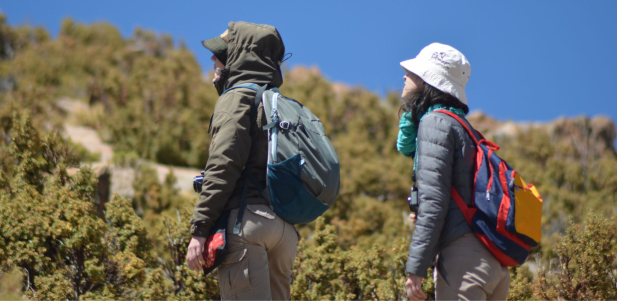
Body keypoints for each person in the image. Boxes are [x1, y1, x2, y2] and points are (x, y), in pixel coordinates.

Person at [185, 22, 299, 301]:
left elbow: (224, 165)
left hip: (246, 226)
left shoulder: (236, 98)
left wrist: (199, 230)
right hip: (284, 233)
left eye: (221, 54)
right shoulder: (279, 103)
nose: (213, 59)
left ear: (237, 59)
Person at [397, 43, 510, 300]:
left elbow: (434, 203)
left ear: (428, 81)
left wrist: (415, 269)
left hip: (464, 262)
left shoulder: (434, 123)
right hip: (493, 263)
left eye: (413, 72)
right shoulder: (462, 127)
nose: (404, 74)